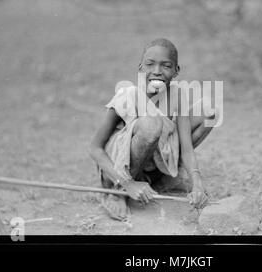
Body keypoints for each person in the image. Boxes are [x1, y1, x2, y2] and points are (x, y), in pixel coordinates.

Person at [88, 38, 217, 221]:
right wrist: (126, 183)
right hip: (119, 172)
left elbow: (186, 148)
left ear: (175, 71)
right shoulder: (128, 95)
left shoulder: (176, 96)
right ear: (140, 67)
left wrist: (197, 184)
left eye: (166, 66)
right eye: (150, 64)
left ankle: (159, 179)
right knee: (151, 124)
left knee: (209, 112)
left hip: (151, 163)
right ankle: (116, 194)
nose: (156, 71)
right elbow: (94, 148)